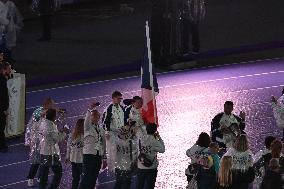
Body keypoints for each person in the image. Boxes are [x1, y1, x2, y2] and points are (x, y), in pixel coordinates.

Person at [26, 98, 55, 187]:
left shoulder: (49, 112)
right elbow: (33, 124)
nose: (53, 106)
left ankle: (41, 177)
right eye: (52, 105)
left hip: (45, 142)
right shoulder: (38, 112)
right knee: (36, 162)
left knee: (44, 162)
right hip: (37, 141)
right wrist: (29, 141)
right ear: (47, 104)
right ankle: (30, 178)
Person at [79, 103, 107, 189]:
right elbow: (86, 119)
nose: (96, 117)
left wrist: (104, 157)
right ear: (90, 116)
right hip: (89, 155)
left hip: (98, 156)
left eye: (97, 116)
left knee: (94, 178)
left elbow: (104, 143)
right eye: (93, 115)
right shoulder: (87, 126)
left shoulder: (101, 129)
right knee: (87, 178)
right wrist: (90, 109)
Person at [38, 108, 69, 189]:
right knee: (58, 172)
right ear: (53, 117)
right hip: (51, 153)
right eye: (55, 116)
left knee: (44, 173)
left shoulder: (42, 122)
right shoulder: (50, 127)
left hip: (43, 151)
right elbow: (57, 139)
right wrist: (65, 132)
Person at [137, 123, 165, 189]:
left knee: (139, 185)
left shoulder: (141, 138)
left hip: (141, 166)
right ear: (155, 131)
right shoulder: (154, 140)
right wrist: (159, 138)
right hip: (151, 167)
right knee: (150, 186)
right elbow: (162, 150)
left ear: (146, 129)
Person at [103, 91, 125, 172]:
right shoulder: (109, 109)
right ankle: (111, 170)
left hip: (121, 134)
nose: (120, 100)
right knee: (112, 152)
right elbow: (105, 122)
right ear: (113, 98)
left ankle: (120, 167)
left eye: (120, 99)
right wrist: (107, 132)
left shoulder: (122, 108)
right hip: (112, 135)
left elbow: (124, 120)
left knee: (121, 151)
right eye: (118, 98)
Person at [113, 121, 138, 189]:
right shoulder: (132, 142)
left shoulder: (116, 140)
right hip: (128, 166)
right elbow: (136, 152)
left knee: (118, 183)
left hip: (118, 165)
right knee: (126, 184)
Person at [65, 118, 84, 189]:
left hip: (73, 160)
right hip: (81, 160)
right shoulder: (85, 135)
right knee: (84, 178)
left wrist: (67, 157)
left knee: (75, 178)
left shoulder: (71, 134)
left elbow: (68, 147)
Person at [0, 62, 9, 152]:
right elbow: (4, 96)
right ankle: (3, 146)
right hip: (1, 108)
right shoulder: (2, 80)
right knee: (1, 127)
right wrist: (5, 108)